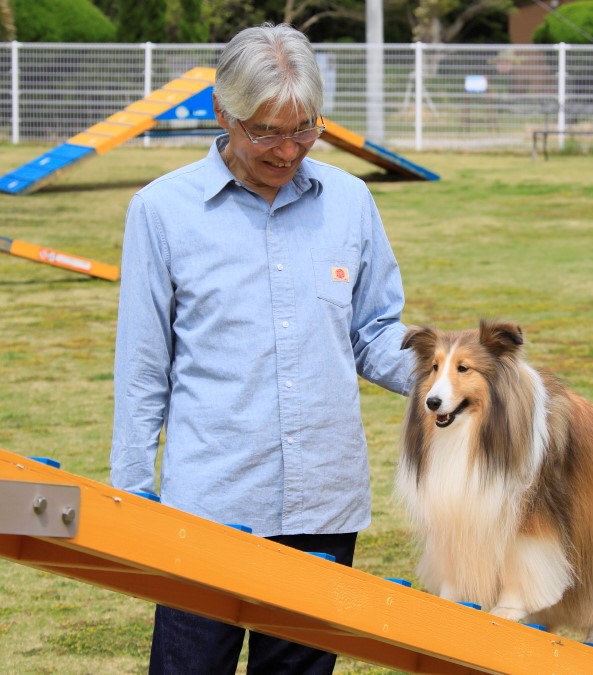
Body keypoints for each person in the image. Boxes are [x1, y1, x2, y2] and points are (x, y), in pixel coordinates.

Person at [110, 23, 414, 675]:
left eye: (304, 128)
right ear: (222, 113)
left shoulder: (352, 203)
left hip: (322, 507)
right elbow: (142, 370)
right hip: (209, 507)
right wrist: (132, 499)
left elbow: (377, 333)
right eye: (265, 131)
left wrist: (462, 380)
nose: (287, 150)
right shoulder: (161, 211)